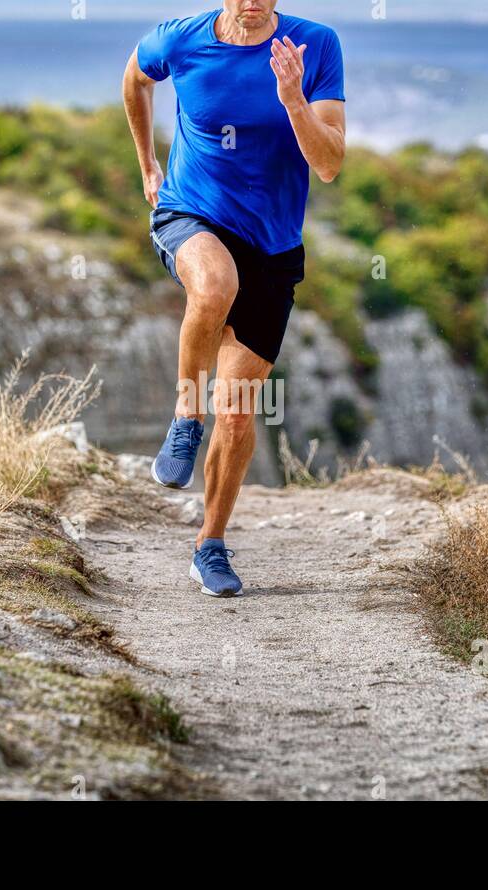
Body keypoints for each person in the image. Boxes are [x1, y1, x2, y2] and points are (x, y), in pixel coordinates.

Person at [121, 1, 346, 597]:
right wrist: (146, 164)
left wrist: (293, 97)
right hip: (191, 214)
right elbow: (136, 78)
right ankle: (185, 415)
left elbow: (327, 165)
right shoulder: (180, 39)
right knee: (216, 285)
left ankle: (210, 545)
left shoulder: (314, 46)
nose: (251, 0)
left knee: (241, 410)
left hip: (273, 246)